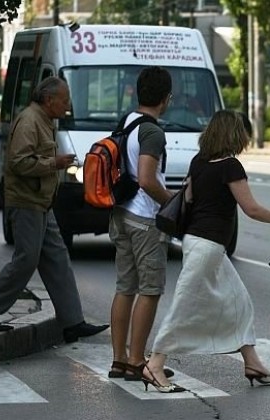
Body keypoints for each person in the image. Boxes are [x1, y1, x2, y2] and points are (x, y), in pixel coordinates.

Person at [144, 110, 270, 393]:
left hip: (198, 242)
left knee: (238, 303)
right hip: (208, 246)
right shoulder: (230, 166)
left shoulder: (198, 162)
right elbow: (251, 209)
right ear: (235, 134)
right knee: (185, 307)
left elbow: (188, 199)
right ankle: (154, 364)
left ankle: (253, 363)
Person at [0, 77, 108, 342]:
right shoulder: (30, 120)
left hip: (42, 202)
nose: (67, 106)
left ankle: (73, 321)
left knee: (58, 260)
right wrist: (54, 163)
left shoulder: (44, 120)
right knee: (26, 260)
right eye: (64, 101)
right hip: (27, 202)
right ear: (49, 100)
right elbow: (18, 162)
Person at [108, 66, 176, 381]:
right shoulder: (152, 132)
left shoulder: (126, 122)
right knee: (150, 290)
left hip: (120, 214)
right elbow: (148, 179)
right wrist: (173, 203)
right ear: (166, 98)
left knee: (125, 287)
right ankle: (137, 361)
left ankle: (119, 359)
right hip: (145, 219)